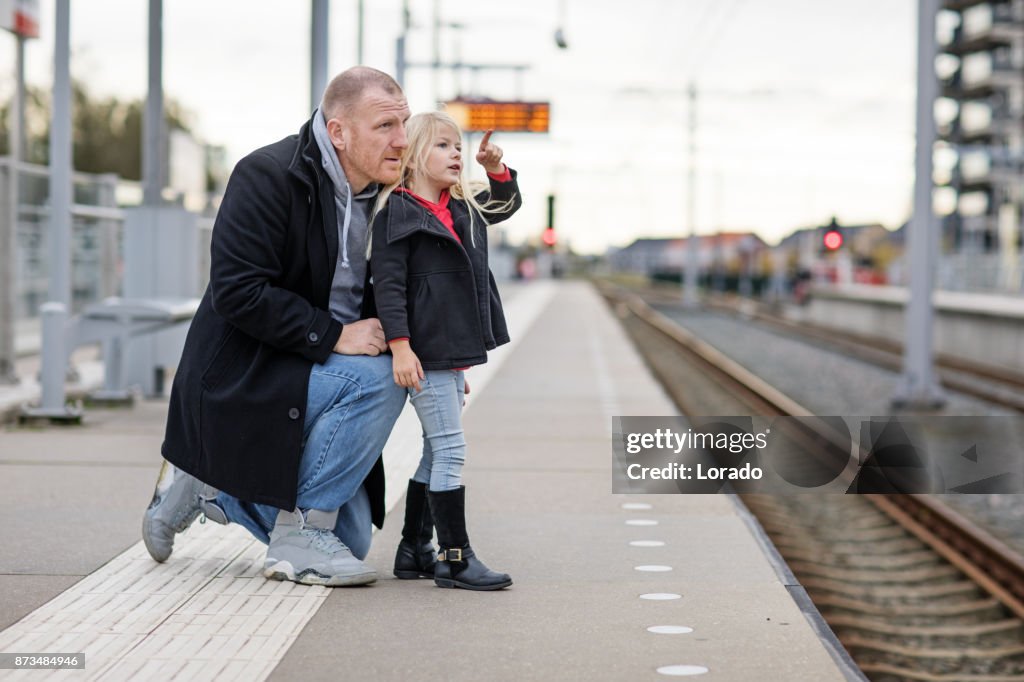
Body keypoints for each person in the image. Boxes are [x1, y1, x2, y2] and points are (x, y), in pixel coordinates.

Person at [141, 66, 413, 587]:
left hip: (314, 373)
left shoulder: (389, 195)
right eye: (385, 127)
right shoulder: (267, 175)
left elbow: (443, 254)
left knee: (352, 541)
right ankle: (298, 533)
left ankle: (210, 488)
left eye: (403, 124)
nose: (402, 140)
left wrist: (445, 358)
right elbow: (238, 290)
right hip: (248, 372)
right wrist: (335, 335)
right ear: (339, 132)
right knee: (378, 380)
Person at [371, 111, 521, 590]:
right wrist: (400, 348)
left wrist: (496, 169)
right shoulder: (397, 211)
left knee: (437, 452)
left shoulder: (461, 209)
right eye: (443, 146)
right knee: (451, 450)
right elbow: (388, 288)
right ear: (415, 155)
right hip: (425, 352)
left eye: (458, 145)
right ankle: (455, 559)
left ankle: (415, 549)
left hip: (449, 352)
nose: (456, 153)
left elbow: (504, 205)